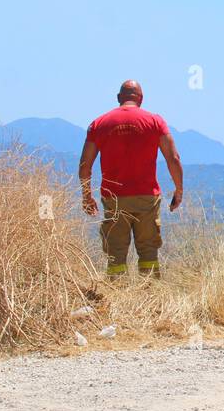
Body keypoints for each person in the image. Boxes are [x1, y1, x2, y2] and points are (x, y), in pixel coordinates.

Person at [78, 80, 183, 278]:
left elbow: (85, 165)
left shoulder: (98, 124)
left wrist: (86, 196)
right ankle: (151, 299)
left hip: (114, 199)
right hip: (147, 198)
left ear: (119, 98)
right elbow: (173, 158)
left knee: (115, 255)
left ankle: (118, 298)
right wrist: (179, 190)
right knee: (148, 252)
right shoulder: (155, 121)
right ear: (141, 100)